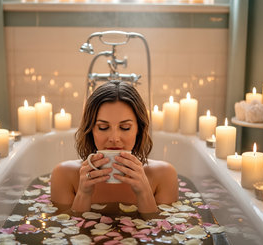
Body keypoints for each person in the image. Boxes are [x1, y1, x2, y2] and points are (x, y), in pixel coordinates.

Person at [50, 81, 178, 214]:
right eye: (103, 127)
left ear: (138, 130)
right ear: (90, 130)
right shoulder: (64, 175)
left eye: (125, 127)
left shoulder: (164, 175)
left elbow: (161, 231)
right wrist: (83, 193)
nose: (114, 138)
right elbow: (67, 231)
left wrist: (144, 192)